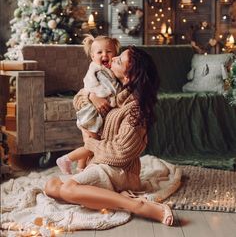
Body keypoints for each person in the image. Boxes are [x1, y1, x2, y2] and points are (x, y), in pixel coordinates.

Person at [45, 46, 174, 226]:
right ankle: (112, 198)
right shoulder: (114, 90)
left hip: (120, 171)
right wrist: (91, 96)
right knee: (50, 186)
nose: (113, 59)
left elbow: (121, 153)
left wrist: (91, 144)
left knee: (68, 189)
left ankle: (138, 206)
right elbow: (78, 98)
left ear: (129, 77)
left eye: (119, 60)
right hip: (102, 164)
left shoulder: (136, 110)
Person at [56, 34, 121, 174]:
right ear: (92, 57)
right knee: (93, 145)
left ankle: (81, 169)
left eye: (109, 51)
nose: (105, 55)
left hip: (97, 115)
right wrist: (96, 96)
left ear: (115, 54)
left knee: (89, 143)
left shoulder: (112, 70)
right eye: (99, 52)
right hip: (91, 113)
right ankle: (66, 159)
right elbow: (90, 85)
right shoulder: (95, 69)